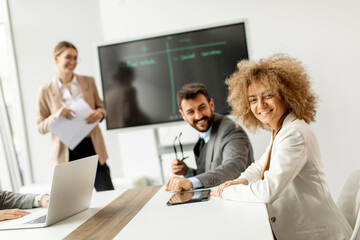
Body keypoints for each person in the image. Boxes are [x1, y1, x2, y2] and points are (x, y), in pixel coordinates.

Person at [212, 54, 352, 239]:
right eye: (253, 99)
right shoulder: (281, 130)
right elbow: (259, 167)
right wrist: (241, 181)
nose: (260, 105)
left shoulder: (294, 133)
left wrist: (227, 192)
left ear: (285, 94)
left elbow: (268, 191)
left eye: (268, 95)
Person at [37, 41, 114, 191]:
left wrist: (99, 113)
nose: (73, 62)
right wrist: (56, 115)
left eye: (75, 58)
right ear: (56, 58)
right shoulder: (45, 90)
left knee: (107, 191)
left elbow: (102, 107)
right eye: (68, 57)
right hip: (67, 151)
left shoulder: (88, 81)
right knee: (74, 202)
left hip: (92, 145)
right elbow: (40, 126)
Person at [165, 83, 254, 192]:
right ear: (183, 115)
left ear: (211, 104)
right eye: (191, 112)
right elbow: (206, 174)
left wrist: (190, 182)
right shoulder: (204, 135)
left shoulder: (230, 130)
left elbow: (234, 168)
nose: (198, 116)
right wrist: (187, 172)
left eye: (202, 108)